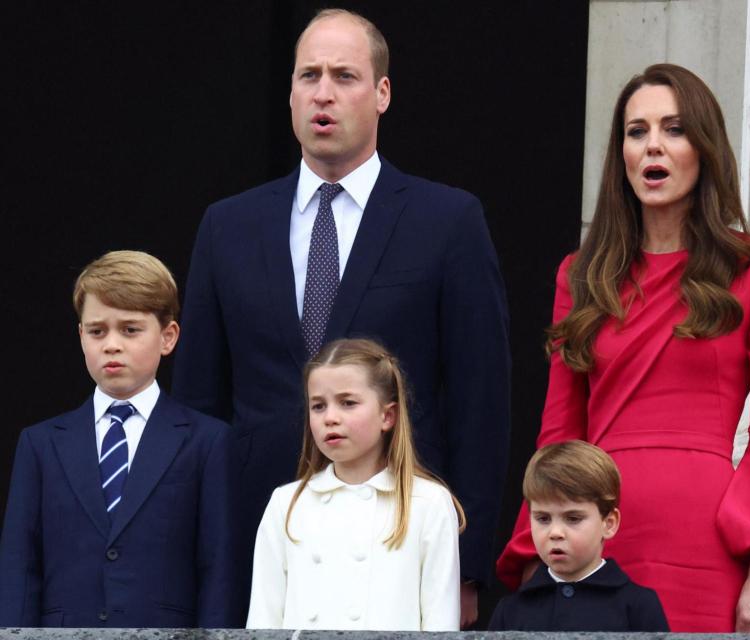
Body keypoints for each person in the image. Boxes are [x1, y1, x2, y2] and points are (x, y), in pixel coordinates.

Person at [172, 8, 510, 624]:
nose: (323, 93)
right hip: (259, 540)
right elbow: (198, 402)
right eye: (309, 75)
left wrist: (466, 565)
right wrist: (200, 554)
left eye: (345, 76)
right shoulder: (229, 225)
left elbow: (480, 401)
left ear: (383, 93)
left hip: (399, 541)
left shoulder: (448, 221)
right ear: (291, 93)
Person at [496, 63, 750, 633]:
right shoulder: (581, 277)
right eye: (636, 130)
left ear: (705, 146)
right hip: (593, 533)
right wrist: (533, 548)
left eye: (674, 129)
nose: (654, 146)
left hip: (705, 542)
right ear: (620, 153)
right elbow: (559, 433)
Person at [0, 251, 240, 628]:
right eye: (97, 331)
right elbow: (20, 566)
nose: (111, 344)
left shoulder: (208, 441)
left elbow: (219, 567)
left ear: (168, 336)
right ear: (81, 336)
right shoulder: (40, 444)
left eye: (130, 329)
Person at [246, 338, 463, 629]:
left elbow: (441, 623)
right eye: (318, 406)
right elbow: (263, 620)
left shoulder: (428, 503)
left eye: (348, 403)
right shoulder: (286, 503)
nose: (331, 418)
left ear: (387, 415)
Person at [489, 441, 668, 631]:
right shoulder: (510, 611)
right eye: (543, 518)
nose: (555, 533)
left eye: (573, 518)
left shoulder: (638, 606)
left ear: (609, 523)